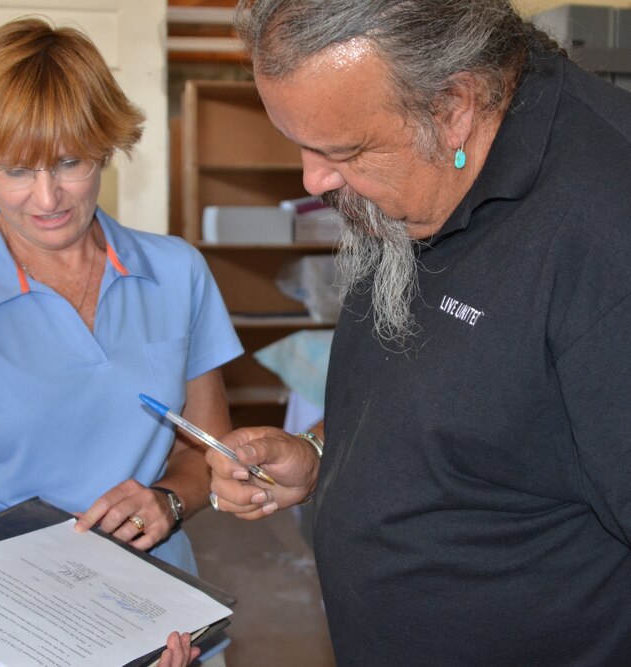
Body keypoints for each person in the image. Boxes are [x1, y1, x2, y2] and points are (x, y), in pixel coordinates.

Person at [207, 0, 631, 664]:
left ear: (453, 105)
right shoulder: (421, 171)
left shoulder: (609, 232)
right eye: (301, 142)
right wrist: (323, 452)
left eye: (340, 149)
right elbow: (475, 399)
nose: (313, 180)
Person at [0, 17, 242, 667]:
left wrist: (168, 500)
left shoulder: (177, 272)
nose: (47, 197)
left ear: (105, 146)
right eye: (16, 169)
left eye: (69, 161)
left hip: (160, 623)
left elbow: (204, 454)